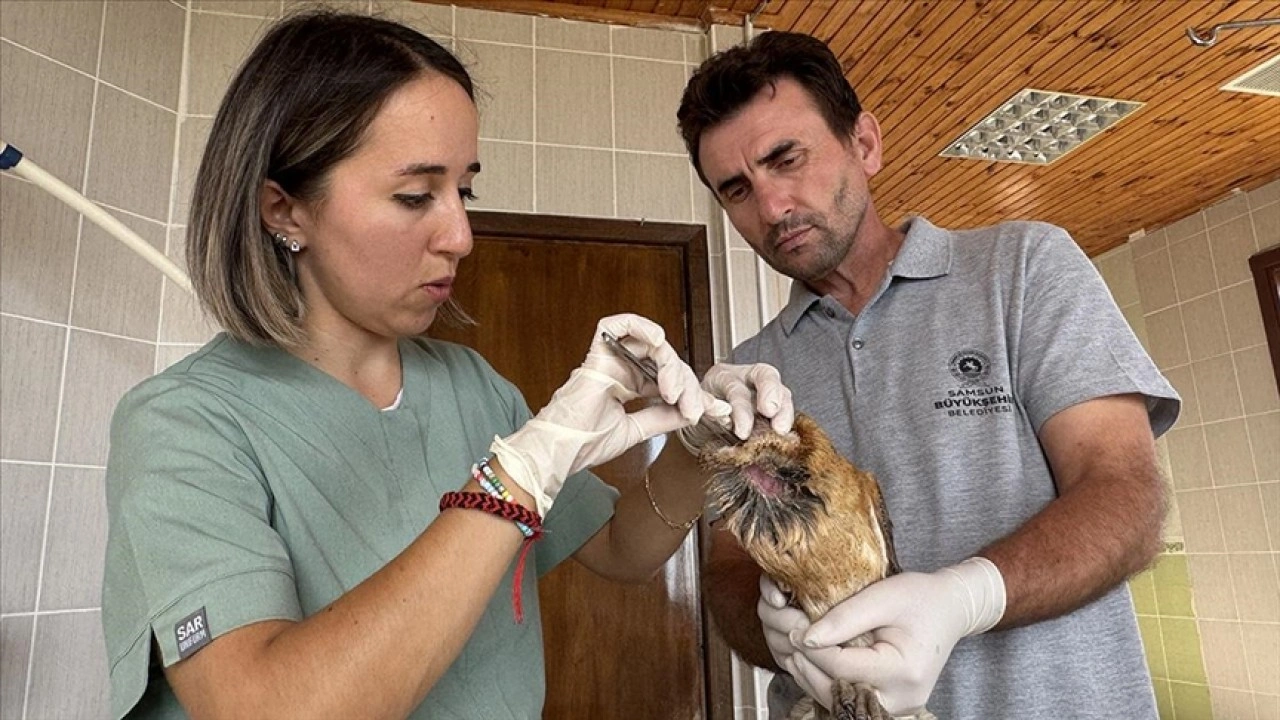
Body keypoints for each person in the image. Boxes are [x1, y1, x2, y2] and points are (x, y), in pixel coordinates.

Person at [100, 11, 764, 720]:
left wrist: (700, 447)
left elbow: (622, 548)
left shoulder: (472, 388)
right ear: (283, 210)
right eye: (415, 195)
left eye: (464, 191)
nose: (460, 236)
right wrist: (512, 481)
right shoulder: (183, 426)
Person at [676, 31, 1180, 719]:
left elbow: (1128, 496)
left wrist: (968, 596)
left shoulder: (1023, 270)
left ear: (866, 144)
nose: (770, 207)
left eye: (785, 159)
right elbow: (732, 565)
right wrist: (774, 634)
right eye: (737, 188)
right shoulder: (752, 373)